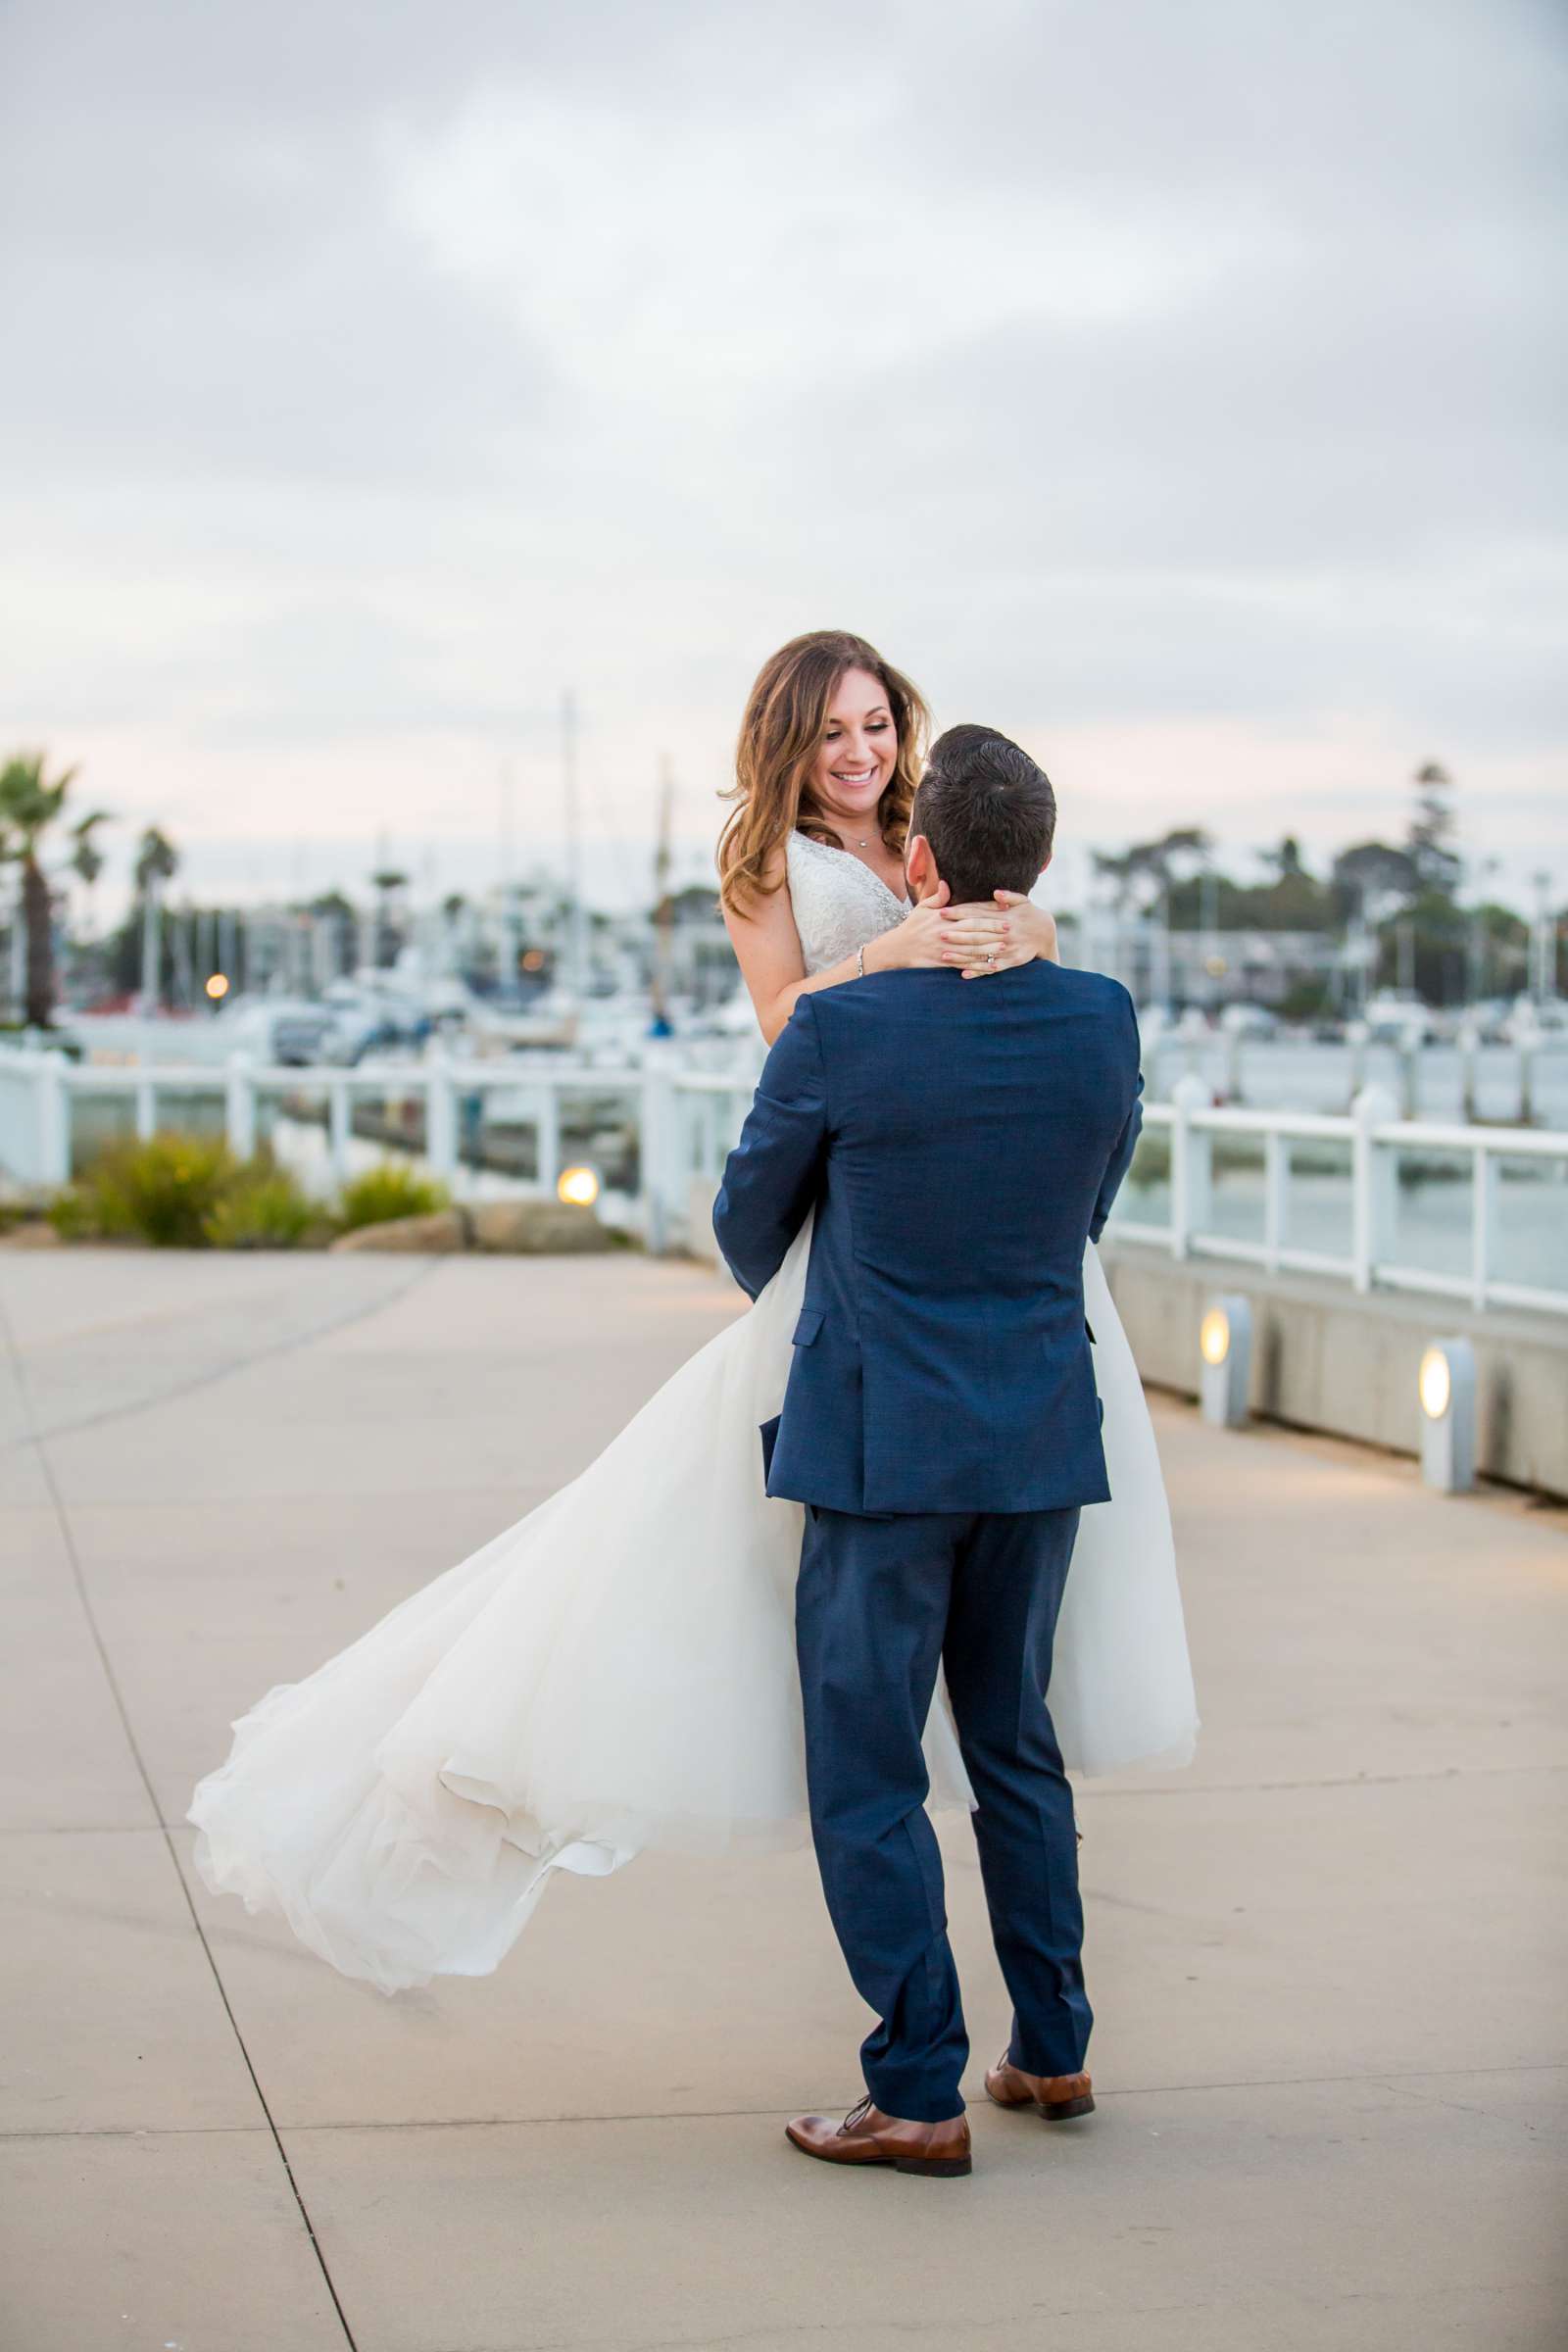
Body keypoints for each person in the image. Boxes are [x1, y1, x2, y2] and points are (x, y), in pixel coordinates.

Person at [187, 632, 1196, 2000]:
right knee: (932, 1689)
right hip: (927, 1292)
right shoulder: (776, 869)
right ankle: (1043, 2034)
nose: (861, 753)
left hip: (914, 1324)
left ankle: (927, 2067)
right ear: (790, 742)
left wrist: (1028, 934)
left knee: (906, 1712)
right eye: (834, 733)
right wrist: (897, 953)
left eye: (878, 726)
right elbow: (790, 1021)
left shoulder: (943, 847)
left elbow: (774, 1194)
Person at [714, 719, 1140, 2179]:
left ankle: (916, 2089)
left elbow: (742, 1230)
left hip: (879, 1444)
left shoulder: (842, 1026)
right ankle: (1056, 2047)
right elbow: (1087, 1214)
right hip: (1035, 1432)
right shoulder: (1103, 1018)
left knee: (870, 1766)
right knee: (1017, 1742)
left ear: (920, 863)